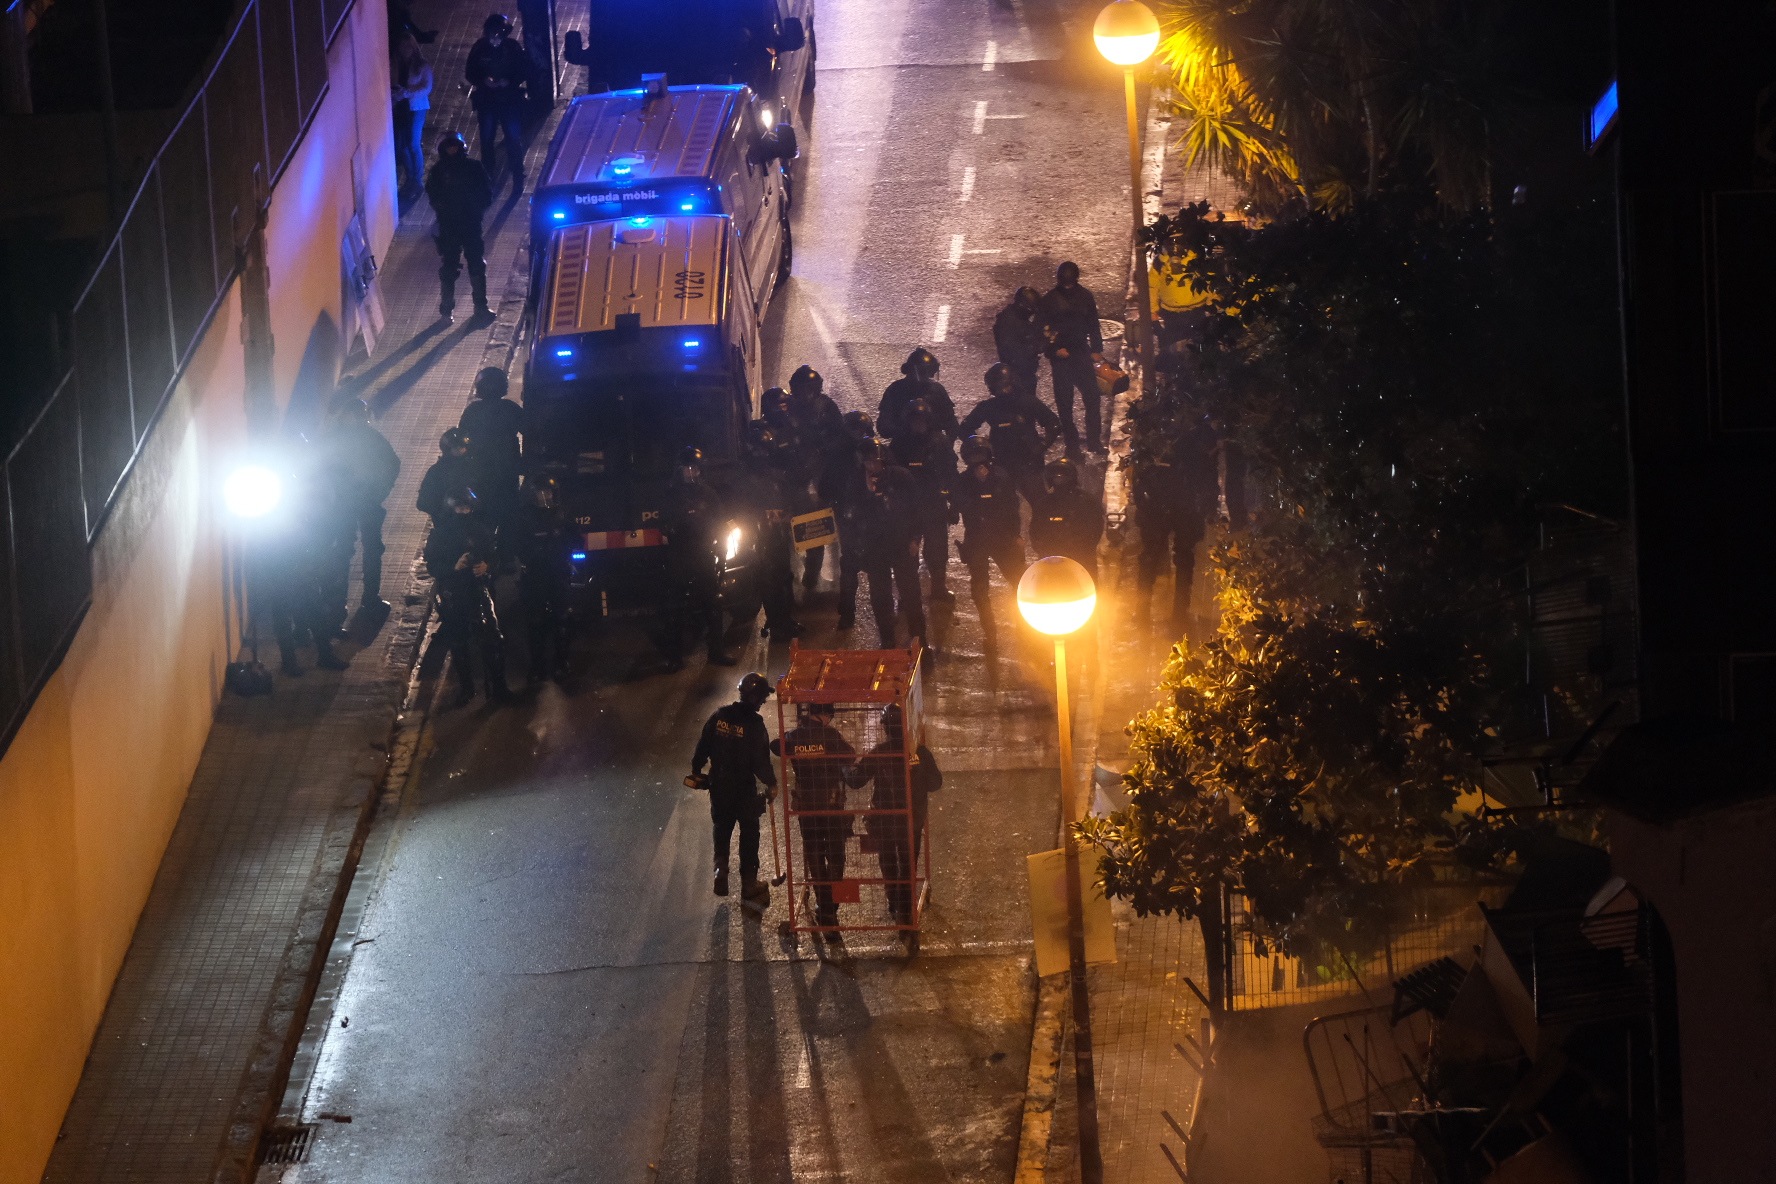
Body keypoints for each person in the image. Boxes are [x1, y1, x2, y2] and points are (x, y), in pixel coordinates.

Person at [689, 672, 778, 905]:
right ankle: (749, 884)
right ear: (757, 698)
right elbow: (761, 762)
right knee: (749, 834)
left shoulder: (720, 716)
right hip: (744, 789)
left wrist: (697, 770)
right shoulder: (755, 725)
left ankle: (720, 868)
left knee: (722, 827)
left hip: (719, 785)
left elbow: (703, 745)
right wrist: (772, 783)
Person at [852, 704, 941, 931]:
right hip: (911, 820)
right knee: (908, 862)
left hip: (884, 820)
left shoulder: (880, 752)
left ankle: (895, 904)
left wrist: (843, 767)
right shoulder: (919, 752)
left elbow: (856, 780)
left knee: (889, 862)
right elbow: (935, 783)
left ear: (884, 727)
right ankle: (906, 908)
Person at [774, 700, 855, 938]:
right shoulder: (830, 735)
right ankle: (831, 909)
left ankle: (823, 905)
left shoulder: (794, 736)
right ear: (824, 715)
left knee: (815, 854)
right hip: (831, 805)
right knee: (836, 856)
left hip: (807, 805)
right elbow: (850, 757)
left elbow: (777, 747)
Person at [423, 486, 511, 706]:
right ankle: (466, 688)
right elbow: (433, 565)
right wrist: (454, 567)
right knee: (459, 640)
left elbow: (495, 556)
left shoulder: (481, 530)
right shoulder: (441, 534)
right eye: (459, 507)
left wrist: (487, 566)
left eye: (466, 507)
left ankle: (499, 686)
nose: (463, 511)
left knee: (492, 638)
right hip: (455, 592)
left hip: (478, 589)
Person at [320, 396, 401, 625]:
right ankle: (366, 600)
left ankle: (341, 603)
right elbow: (392, 464)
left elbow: (392, 464)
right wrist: (381, 491)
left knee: (348, 553)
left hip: (348, 505)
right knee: (366, 551)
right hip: (357, 504)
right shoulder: (371, 439)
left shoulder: (337, 438)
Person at [1130, 416, 1217, 627]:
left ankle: (1152, 613)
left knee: (1156, 558)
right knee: (1176, 559)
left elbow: (1139, 476)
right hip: (1177, 508)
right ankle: (1174, 613)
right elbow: (1208, 478)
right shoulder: (1196, 439)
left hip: (1168, 508)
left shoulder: (1155, 435)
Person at [842, 439, 926, 648]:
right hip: (875, 548)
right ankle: (887, 641)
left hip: (901, 544)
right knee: (880, 597)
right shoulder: (856, 481)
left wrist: (915, 538)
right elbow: (851, 515)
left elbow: (916, 508)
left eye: (875, 463)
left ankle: (920, 640)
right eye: (868, 463)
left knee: (911, 594)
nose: (872, 468)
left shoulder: (900, 476)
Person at [660, 446, 735, 670]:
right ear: (680, 471)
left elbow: (720, 522)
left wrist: (721, 548)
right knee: (676, 607)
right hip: (681, 555)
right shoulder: (671, 495)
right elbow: (664, 525)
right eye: (687, 469)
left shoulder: (708, 494)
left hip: (703, 553)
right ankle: (674, 657)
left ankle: (717, 651)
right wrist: (678, 526)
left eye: (694, 468)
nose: (691, 473)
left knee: (713, 603)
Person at [950, 435, 1027, 648]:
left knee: (1019, 583)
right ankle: (990, 633)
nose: (978, 461)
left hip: (1003, 538)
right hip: (977, 540)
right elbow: (959, 504)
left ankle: (1026, 627)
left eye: (981, 455)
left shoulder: (1001, 476)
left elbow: (1012, 507)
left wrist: (1016, 536)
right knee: (979, 591)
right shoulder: (963, 481)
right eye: (974, 456)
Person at [957, 362, 1060, 506]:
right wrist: (980, 448)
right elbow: (965, 428)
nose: (1003, 391)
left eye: (1005, 386)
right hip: (1001, 463)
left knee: (1040, 505)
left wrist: (1041, 447)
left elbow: (1054, 424)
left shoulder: (1027, 402)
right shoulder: (989, 407)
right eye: (999, 388)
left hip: (1028, 462)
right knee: (1002, 505)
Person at [886, 397, 957, 603]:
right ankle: (908, 596)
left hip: (934, 504)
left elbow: (950, 473)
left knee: (937, 551)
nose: (919, 425)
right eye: (914, 420)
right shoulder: (899, 443)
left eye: (922, 420)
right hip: (907, 508)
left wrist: (954, 504)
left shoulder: (939, 442)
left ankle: (938, 589)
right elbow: (891, 473)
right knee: (906, 554)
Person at [740, 420, 802, 641]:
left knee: (784, 577)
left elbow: (787, 497)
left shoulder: (776, 475)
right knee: (770, 581)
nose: (762, 455)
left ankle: (785, 619)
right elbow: (743, 510)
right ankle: (777, 624)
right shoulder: (745, 480)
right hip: (760, 537)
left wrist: (788, 513)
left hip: (778, 535)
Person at [786, 367, 845, 591]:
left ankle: (812, 576)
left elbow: (839, 438)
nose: (806, 395)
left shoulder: (826, 408)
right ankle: (795, 574)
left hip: (818, 475)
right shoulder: (788, 408)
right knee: (788, 529)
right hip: (793, 475)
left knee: (816, 527)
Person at [425, 132, 493, 323]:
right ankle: (446, 311)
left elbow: (487, 192)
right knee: (448, 269)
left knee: (477, 266)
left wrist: (476, 209)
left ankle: (481, 307)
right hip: (449, 227)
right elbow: (433, 194)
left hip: (471, 224)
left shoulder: (473, 167)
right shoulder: (438, 171)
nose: (452, 150)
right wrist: (445, 210)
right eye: (449, 147)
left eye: (455, 146)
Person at [1040, 261, 1106, 453]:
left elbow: (1093, 324)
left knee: (1093, 398)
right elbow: (1042, 330)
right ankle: (1072, 446)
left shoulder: (1085, 296)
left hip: (1081, 353)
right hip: (1061, 359)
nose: (1068, 288)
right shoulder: (1049, 300)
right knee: (1065, 404)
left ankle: (1094, 441)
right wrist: (1054, 350)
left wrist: (1096, 349)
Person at [513, 474, 572, 683]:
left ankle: (562, 662)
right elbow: (517, 544)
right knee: (535, 622)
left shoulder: (561, 514)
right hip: (536, 575)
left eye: (548, 493)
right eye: (541, 493)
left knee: (561, 619)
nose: (545, 497)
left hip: (557, 572)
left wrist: (567, 554)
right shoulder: (525, 518)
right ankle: (537, 665)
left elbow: (574, 538)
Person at [466, 13, 529, 190]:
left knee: (513, 138)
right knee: (486, 139)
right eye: (491, 36)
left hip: (509, 100)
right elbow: (470, 71)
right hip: (487, 101)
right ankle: (488, 175)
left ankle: (518, 175)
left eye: (497, 36)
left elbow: (524, 69)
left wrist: (510, 81)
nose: (494, 40)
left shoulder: (512, 48)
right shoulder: (479, 48)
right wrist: (483, 80)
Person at [459, 366, 524, 521]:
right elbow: (531, 431)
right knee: (509, 519)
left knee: (481, 519)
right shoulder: (510, 408)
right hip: (508, 472)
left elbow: (462, 439)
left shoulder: (472, 411)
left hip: (481, 473)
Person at [1028, 459, 1105, 579]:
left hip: (1081, 561)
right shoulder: (1044, 504)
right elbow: (1035, 531)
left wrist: (1081, 549)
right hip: (1052, 562)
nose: (1059, 480)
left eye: (1063, 476)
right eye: (1056, 477)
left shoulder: (1087, 502)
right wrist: (1045, 551)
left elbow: (1095, 530)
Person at [877, 348, 957, 443]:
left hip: (932, 446)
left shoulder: (937, 391)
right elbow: (884, 424)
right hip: (903, 444)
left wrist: (945, 444)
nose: (927, 376)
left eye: (930, 372)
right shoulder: (896, 389)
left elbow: (951, 423)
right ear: (912, 370)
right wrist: (905, 429)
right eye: (924, 372)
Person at [391, 32, 434, 198]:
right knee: (403, 145)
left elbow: (427, 88)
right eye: (402, 47)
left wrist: (407, 93)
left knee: (413, 143)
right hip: (401, 108)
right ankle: (411, 179)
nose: (405, 50)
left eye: (408, 46)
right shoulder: (396, 64)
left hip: (416, 108)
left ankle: (417, 179)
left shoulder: (422, 66)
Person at [993, 286, 1046, 400]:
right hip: (1016, 375)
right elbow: (1012, 352)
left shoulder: (1020, 318)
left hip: (1027, 372)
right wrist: (1035, 347)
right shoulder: (1007, 322)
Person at [418, 427, 473, 525]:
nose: (463, 449)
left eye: (464, 446)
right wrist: (449, 506)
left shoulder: (474, 466)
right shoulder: (437, 472)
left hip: (476, 521)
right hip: (449, 525)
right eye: (458, 447)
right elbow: (423, 502)